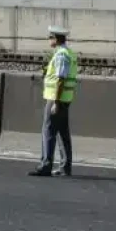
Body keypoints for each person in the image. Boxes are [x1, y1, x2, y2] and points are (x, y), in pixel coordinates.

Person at [30, 25, 78, 178]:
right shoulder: (67, 53)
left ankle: (46, 165)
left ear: (56, 39)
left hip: (56, 99)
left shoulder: (61, 55)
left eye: (50, 37)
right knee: (62, 133)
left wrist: (56, 102)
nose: (48, 39)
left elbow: (60, 79)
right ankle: (65, 167)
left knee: (48, 131)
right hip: (65, 99)